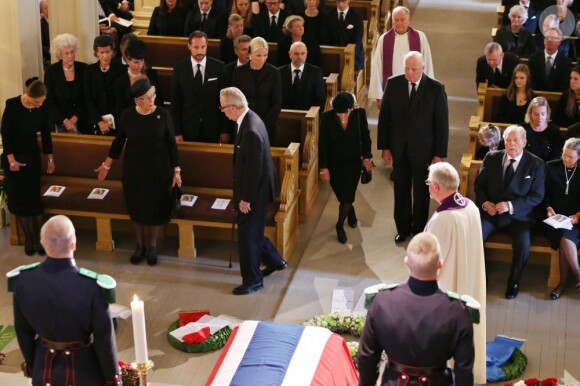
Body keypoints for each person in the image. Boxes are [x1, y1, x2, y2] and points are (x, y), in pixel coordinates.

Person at [7, 215, 121, 386]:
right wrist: (112, 379)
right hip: (84, 373)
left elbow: (23, 331)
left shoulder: (24, 281)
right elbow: (104, 342)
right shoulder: (92, 286)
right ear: (73, 244)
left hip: (44, 370)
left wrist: (33, 366)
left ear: (43, 243)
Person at [358, 233, 475, 386]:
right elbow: (464, 371)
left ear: (407, 262)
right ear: (440, 264)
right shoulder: (458, 311)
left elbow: (367, 357)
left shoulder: (382, 302)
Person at [96, 79, 181, 266]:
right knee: (136, 207)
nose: (152, 100)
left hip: (158, 169)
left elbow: (172, 145)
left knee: (155, 207)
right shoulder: (127, 116)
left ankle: (152, 246)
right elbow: (118, 142)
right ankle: (139, 245)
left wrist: (177, 170)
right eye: (147, 98)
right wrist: (107, 164)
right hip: (133, 170)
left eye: (153, 95)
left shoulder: (163, 114)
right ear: (137, 101)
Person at [219, 87, 287, 295]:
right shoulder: (251, 117)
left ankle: (253, 280)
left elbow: (253, 169)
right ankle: (276, 261)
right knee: (254, 231)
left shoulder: (249, 130)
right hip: (259, 188)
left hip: (254, 192)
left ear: (232, 108)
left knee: (247, 236)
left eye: (223, 108)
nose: (222, 111)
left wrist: (245, 198)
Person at [424, 162, 487, 385]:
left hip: (448, 285)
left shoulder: (444, 218)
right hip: (468, 278)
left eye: (429, 183)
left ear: (437, 187)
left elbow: (429, 261)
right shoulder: (470, 206)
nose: (428, 187)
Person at [377, 51, 449, 242]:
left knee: (421, 192)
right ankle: (402, 227)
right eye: (407, 68)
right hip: (399, 149)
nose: (409, 72)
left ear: (422, 68)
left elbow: (441, 124)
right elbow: (385, 118)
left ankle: (419, 229)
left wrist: (439, 154)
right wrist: (385, 146)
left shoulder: (435, 89)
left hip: (424, 151)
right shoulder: (393, 84)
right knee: (400, 189)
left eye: (413, 69)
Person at [474, 125, 545, 299]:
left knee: (523, 247)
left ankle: (514, 281)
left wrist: (511, 205)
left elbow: (537, 196)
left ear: (524, 142)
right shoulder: (491, 157)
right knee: (474, 238)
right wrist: (485, 204)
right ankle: (479, 277)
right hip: (492, 215)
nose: (511, 144)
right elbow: (479, 185)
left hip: (520, 217)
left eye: (515, 140)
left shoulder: (536, 163)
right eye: (507, 140)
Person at [1, 78, 55, 256]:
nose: (39, 105)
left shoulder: (43, 108)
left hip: (31, 156)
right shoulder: (13, 106)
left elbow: (46, 134)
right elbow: (6, 135)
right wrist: (11, 160)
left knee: (33, 199)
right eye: (36, 102)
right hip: (13, 157)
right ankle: (28, 239)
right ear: (28, 96)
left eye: (42, 102)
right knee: (20, 199)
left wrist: (50, 158)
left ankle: (39, 239)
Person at [319, 92, 372, 244]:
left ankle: (339, 225)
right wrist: (324, 168)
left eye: (345, 113)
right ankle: (351, 211)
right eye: (338, 114)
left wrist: (367, 158)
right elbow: (323, 145)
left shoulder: (359, 114)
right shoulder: (327, 117)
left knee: (347, 196)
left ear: (351, 109)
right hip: (334, 164)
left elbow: (366, 138)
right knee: (343, 196)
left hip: (353, 163)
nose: (342, 117)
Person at [368, 6, 434, 108]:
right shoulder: (384, 39)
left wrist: (427, 91)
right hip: (392, 91)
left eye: (402, 20)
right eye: (396, 20)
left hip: (415, 90)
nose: (399, 23)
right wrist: (379, 95)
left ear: (409, 21)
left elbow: (427, 64)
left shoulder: (420, 37)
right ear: (392, 21)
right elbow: (377, 66)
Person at [171, 31, 229, 143]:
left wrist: (225, 130)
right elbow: (175, 103)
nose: (200, 51)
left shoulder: (219, 67)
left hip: (213, 129)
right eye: (196, 47)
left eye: (203, 47)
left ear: (207, 46)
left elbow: (225, 102)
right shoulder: (179, 69)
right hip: (188, 128)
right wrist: (177, 132)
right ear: (189, 46)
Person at [542, 138, 580, 300]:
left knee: (565, 240)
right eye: (564, 155)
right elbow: (542, 192)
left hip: (577, 220)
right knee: (564, 237)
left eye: (571, 157)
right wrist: (548, 207)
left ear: (579, 157)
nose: (566, 159)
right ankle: (576, 278)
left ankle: (562, 284)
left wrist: (578, 216)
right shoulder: (551, 166)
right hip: (554, 219)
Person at [232, 37, 282, 144]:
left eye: (265, 55)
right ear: (250, 54)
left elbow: (277, 103)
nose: (262, 59)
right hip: (243, 123)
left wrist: (261, 123)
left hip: (266, 125)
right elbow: (234, 100)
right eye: (258, 55)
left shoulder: (274, 72)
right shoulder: (239, 72)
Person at [44, 33, 90, 134]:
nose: (70, 56)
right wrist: (65, 120)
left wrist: (75, 118)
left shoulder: (85, 69)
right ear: (59, 55)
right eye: (66, 53)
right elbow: (49, 101)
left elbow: (88, 98)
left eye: (72, 52)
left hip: (83, 121)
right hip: (59, 123)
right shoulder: (51, 72)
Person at [84, 35, 125, 135]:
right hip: (95, 121)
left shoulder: (122, 70)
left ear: (113, 52)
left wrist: (108, 121)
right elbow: (88, 98)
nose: (105, 56)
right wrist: (99, 121)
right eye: (101, 52)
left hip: (117, 120)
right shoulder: (89, 71)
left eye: (108, 52)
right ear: (96, 54)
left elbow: (122, 99)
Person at [114, 39, 163, 118]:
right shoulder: (121, 81)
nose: (140, 65)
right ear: (128, 61)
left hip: (152, 118)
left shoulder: (151, 73)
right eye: (136, 62)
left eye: (141, 61)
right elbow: (120, 108)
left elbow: (159, 101)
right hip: (131, 120)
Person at [279, 41, 325, 111]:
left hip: (308, 115)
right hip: (284, 114)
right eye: (296, 54)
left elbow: (319, 98)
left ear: (306, 54)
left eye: (302, 54)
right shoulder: (279, 72)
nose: (300, 57)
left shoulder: (316, 72)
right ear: (290, 54)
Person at [319, 0, 364, 70]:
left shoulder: (357, 16)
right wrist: (333, 53)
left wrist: (347, 53)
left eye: (343, 1)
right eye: (338, 2)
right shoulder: (327, 15)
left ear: (348, 0)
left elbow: (357, 39)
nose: (341, 4)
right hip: (333, 53)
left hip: (353, 54)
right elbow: (324, 37)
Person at [528, 27, 573, 92]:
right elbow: (531, 82)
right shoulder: (534, 59)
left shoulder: (566, 62)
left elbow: (564, 85)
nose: (549, 40)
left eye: (553, 38)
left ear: (559, 42)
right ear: (544, 40)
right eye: (547, 37)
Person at [521, 96, 564, 162]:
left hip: (548, 168)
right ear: (530, 114)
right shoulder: (522, 129)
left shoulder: (554, 130)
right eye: (536, 114)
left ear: (547, 114)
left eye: (543, 114)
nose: (540, 118)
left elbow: (557, 155)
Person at [40, 0, 50, 67]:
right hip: (48, 59)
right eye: (45, 8)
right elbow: (39, 44)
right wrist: (48, 50)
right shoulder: (41, 24)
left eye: (48, 7)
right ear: (41, 10)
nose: (47, 10)